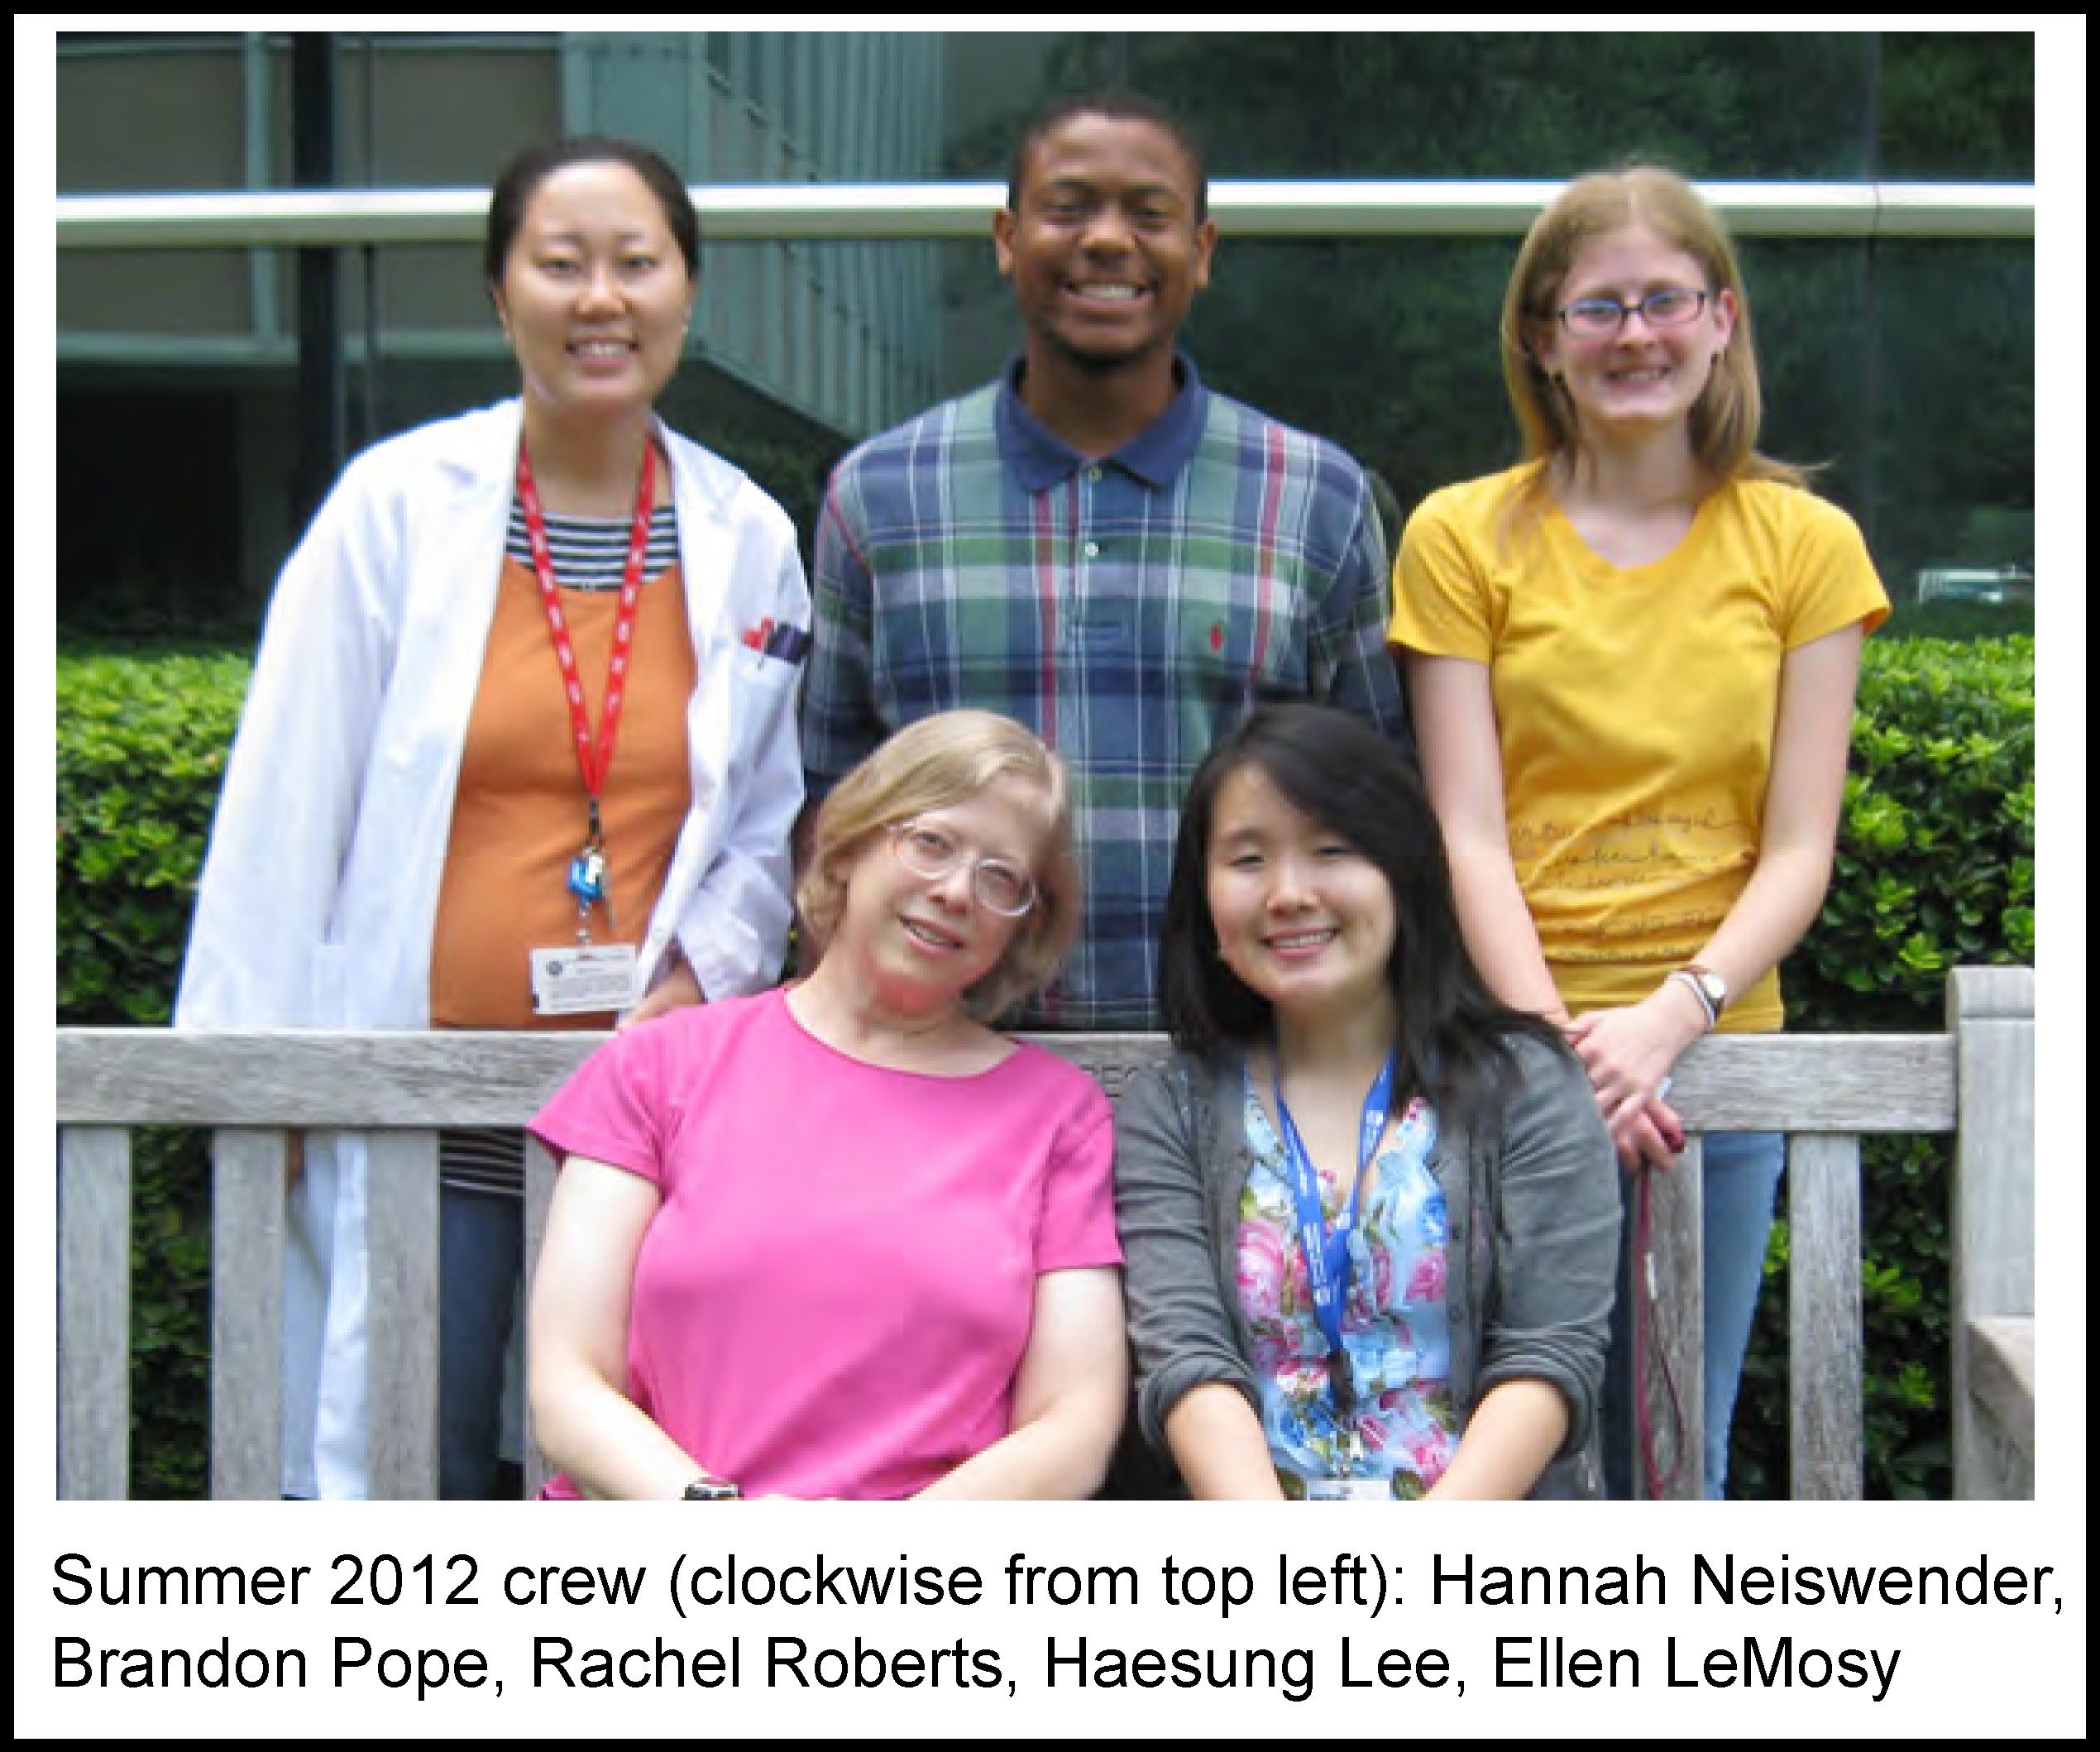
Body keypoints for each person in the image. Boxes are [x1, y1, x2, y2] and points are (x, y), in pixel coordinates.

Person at [175, 136, 810, 1500]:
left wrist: (697, 978)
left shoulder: (748, 535)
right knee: (415, 1475)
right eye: (560, 264)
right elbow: (284, 813)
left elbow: (766, 826)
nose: (601, 298)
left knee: (620, 1492)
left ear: (688, 292)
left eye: (636, 263)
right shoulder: (395, 510)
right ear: (497, 293)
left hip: (635, 1133)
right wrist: (254, 1081)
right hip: (415, 1117)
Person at [1388, 166, 1891, 1498]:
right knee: (1489, 1461)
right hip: (1500, 1059)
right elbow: (1465, 832)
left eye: (1664, 300)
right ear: (1540, 338)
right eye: (1595, 307)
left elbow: (1797, 847)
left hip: (1715, 1067)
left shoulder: (1804, 544)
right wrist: (1558, 1052)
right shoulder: (1457, 535)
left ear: (1720, 320)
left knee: (1678, 1455)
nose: (1633, 335)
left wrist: (1671, 1017)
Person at [801, 89, 1409, 1032]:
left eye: (1149, 214)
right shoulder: (882, 495)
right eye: (1069, 208)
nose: (1108, 240)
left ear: (1200, 251)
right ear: (1006, 239)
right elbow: (826, 811)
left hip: (1237, 1063)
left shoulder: (1312, 499)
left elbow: (1378, 813)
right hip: (943, 1068)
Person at [526, 711, 1127, 1500]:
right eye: (931, 842)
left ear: (1024, 925)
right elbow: (568, 1383)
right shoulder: (661, 1064)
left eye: (1000, 878)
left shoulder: (1057, 1118)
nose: (955, 891)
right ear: (848, 846)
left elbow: (1073, 1421)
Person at [1113, 705, 1619, 1500]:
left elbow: (1548, 1354)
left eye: (1330, 851)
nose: (1287, 893)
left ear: (1402, 871)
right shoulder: (1171, 1106)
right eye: (1247, 859)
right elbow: (1186, 1360)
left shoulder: (1526, 1085)